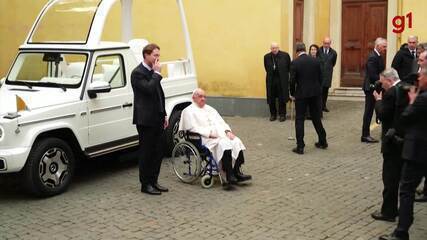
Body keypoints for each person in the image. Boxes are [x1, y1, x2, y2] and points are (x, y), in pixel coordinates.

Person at [379, 68, 427, 240]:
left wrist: (413, 101)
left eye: (421, 76)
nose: (418, 79)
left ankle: (401, 231)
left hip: (416, 150)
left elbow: (405, 118)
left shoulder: (420, 99)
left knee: (405, 189)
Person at [179, 88, 252, 189]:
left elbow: (221, 121)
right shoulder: (188, 111)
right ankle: (228, 174)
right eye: (200, 96)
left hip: (219, 135)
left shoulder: (210, 109)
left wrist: (228, 131)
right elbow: (192, 128)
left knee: (235, 141)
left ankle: (237, 171)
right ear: (193, 97)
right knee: (224, 144)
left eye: (204, 96)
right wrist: (209, 133)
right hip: (203, 139)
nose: (203, 99)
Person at [371, 68, 409, 222]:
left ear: (388, 80)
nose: (381, 85)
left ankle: (388, 212)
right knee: (399, 176)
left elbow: (383, 114)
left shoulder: (391, 93)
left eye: (382, 82)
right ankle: (398, 208)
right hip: (402, 139)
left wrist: (378, 101)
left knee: (390, 177)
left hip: (392, 140)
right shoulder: (405, 87)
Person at [131, 43, 169, 195]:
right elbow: (148, 89)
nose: (157, 59)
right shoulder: (137, 73)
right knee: (147, 152)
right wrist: (157, 74)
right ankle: (145, 184)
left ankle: (154, 181)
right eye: (155, 55)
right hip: (145, 120)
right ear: (146, 55)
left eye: (158, 55)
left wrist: (164, 113)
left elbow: (158, 95)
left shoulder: (153, 72)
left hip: (158, 117)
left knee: (158, 151)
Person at [290, 42, 327, 154]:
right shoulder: (315, 61)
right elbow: (321, 77)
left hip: (301, 94)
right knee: (316, 118)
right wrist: (318, 89)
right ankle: (323, 141)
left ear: (297, 51)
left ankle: (300, 146)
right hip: (315, 94)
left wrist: (292, 93)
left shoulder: (295, 63)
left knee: (300, 119)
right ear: (305, 49)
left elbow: (292, 81)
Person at [361, 37, 387, 143]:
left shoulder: (379, 56)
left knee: (374, 109)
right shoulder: (373, 57)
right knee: (368, 111)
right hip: (371, 88)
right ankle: (365, 135)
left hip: (377, 86)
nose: (385, 48)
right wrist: (383, 80)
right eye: (384, 46)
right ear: (378, 46)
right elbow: (373, 75)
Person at [264, 42, 291, 122]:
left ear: (278, 48)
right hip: (271, 80)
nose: (274, 49)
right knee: (271, 98)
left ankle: (282, 115)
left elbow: (289, 67)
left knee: (282, 98)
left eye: (276, 48)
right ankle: (273, 114)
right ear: (270, 49)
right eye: (272, 48)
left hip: (282, 80)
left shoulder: (285, 55)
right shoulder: (267, 57)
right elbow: (266, 68)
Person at [318, 37, 337, 112]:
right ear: (323, 43)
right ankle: (318, 105)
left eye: (328, 43)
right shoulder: (318, 51)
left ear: (330, 44)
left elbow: (333, 63)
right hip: (319, 75)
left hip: (328, 75)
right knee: (319, 91)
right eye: (325, 43)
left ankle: (323, 105)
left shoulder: (334, 53)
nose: (326, 45)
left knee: (325, 91)